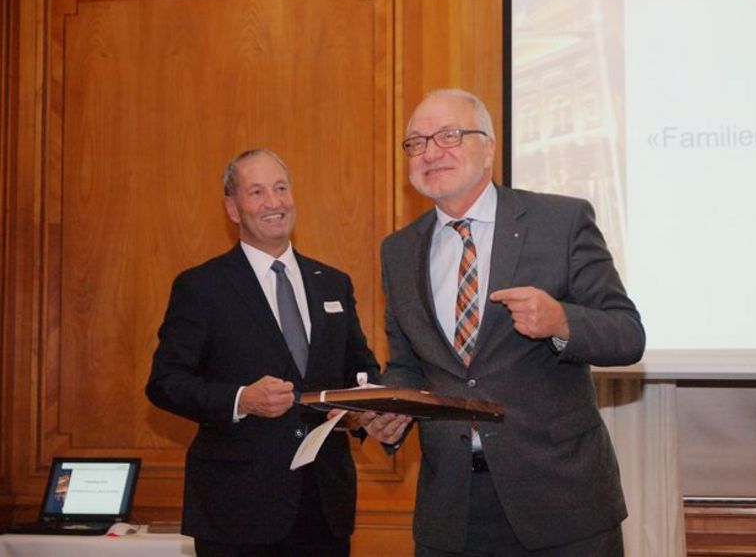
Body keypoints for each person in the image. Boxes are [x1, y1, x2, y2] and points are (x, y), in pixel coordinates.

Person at [361, 89, 645, 556]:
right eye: (416, 142)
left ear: (489, 147)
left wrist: (561, 321)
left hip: (561, 502)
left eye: (449, 135)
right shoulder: (399, 250)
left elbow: (627, 334)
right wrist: (390, 409)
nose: (431, 152)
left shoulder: (560, 221)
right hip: (452, 510)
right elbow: (408, 366)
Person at [145, 149, 380, 556]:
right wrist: (242, 399)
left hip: (324, 508)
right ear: (232, 208)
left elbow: (360, 371)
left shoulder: (333, 283)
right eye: (256, 192)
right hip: (237, 511)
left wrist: (361, 411)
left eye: (281, 188)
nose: (274, 202)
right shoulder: (201, 287)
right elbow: (165, 383)